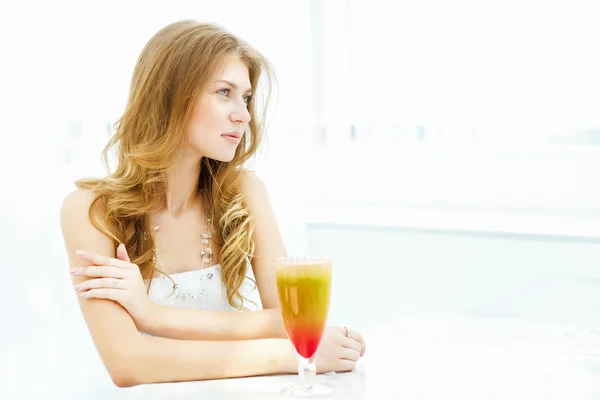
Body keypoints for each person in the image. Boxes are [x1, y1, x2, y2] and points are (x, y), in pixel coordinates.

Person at [60, 19, 366, 388]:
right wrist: (295, 356)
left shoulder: (244, 192)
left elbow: (291, 320)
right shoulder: (90, 211)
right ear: (171, 95)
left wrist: (150, 315)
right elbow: (127, 363)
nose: (243, 114)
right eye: (224, 92)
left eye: (247, 97)